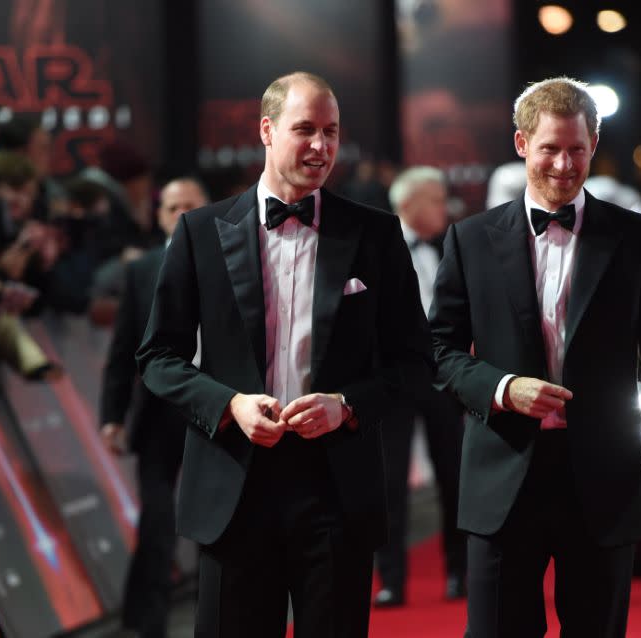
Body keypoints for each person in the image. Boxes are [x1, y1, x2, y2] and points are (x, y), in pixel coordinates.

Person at [136, 72, 430, 638]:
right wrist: (229, 406)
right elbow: (158, 356)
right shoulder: (199, 231)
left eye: (331, 131)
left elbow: (416, 361)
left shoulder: (375, 234)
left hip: (337, 488)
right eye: (304, 130)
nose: (320, 146)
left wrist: (345, 406)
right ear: (267, 131)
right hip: (234, 487)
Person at [429, 77, 641, 637]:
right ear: (522, 143)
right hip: (502, 472)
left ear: (594, 144)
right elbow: (438, 350)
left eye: (577, 148)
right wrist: (502, 389)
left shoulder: (640, 240)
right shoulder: (469, 240)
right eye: (550, 148)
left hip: (604, 477)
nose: (564, 164)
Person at [99, 176, 210, 638]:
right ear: (159, 215)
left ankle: (220, 619)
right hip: (158, 411)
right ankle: (147, 627)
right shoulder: (142, 270)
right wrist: (111, 415)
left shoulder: (236, 259)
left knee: (215, 523)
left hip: (220, 407)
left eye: (191, 206)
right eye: (171, 207)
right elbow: (123, 350)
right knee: (158, 523)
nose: (181, 214)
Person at [374, 166, 466, 607]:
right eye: (435, 198)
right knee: (387, 484)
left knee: (454, 476)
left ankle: (460, 572)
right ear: (408, 203)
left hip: (443, 379)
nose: (444, 208)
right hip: (391, 381)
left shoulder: (452, 246)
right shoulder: (376, 248)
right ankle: (391, 580)